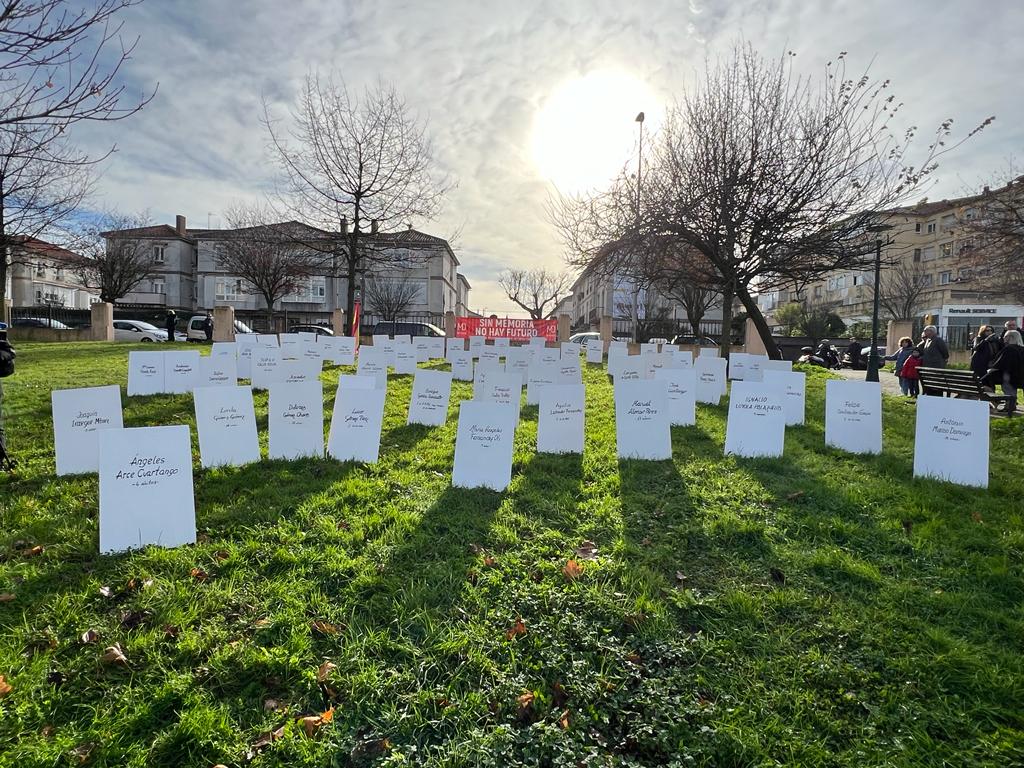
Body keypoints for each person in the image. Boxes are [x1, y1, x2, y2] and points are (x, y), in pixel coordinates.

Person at [982, 330, 1024, 414]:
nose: (1003, 338)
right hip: (1020, 375)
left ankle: (1009, 406)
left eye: (1005, 336)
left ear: (1010, 338)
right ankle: (1010, 405)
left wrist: (992, 369)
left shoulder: (1009, 349)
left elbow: (1002, 362)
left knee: (1006, 387)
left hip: (1010, 375)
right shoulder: (1021, 349)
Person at [917, 325, 949, 395]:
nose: (924, 332)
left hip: (936, 368)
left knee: (936, 387)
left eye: (926, 331)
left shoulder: (938, 340)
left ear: (931, 332)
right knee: (929, 386)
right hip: (927, 368)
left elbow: (945, 353)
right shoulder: (928, 341)